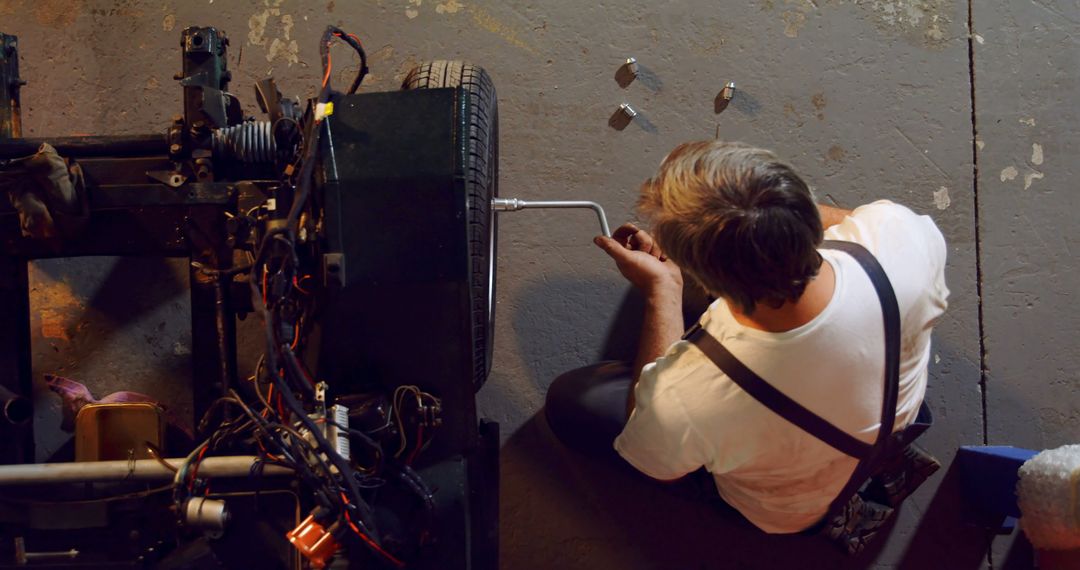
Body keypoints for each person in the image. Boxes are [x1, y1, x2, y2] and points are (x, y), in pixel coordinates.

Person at [544, 140, 949, 534]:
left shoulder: (692, 397)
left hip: (787, 512)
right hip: (882, 408)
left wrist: (663, 290)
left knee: (572, 400)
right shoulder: (900, 237)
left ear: (706, 280)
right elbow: (841, 220)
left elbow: (655, 462)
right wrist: (756, 216)